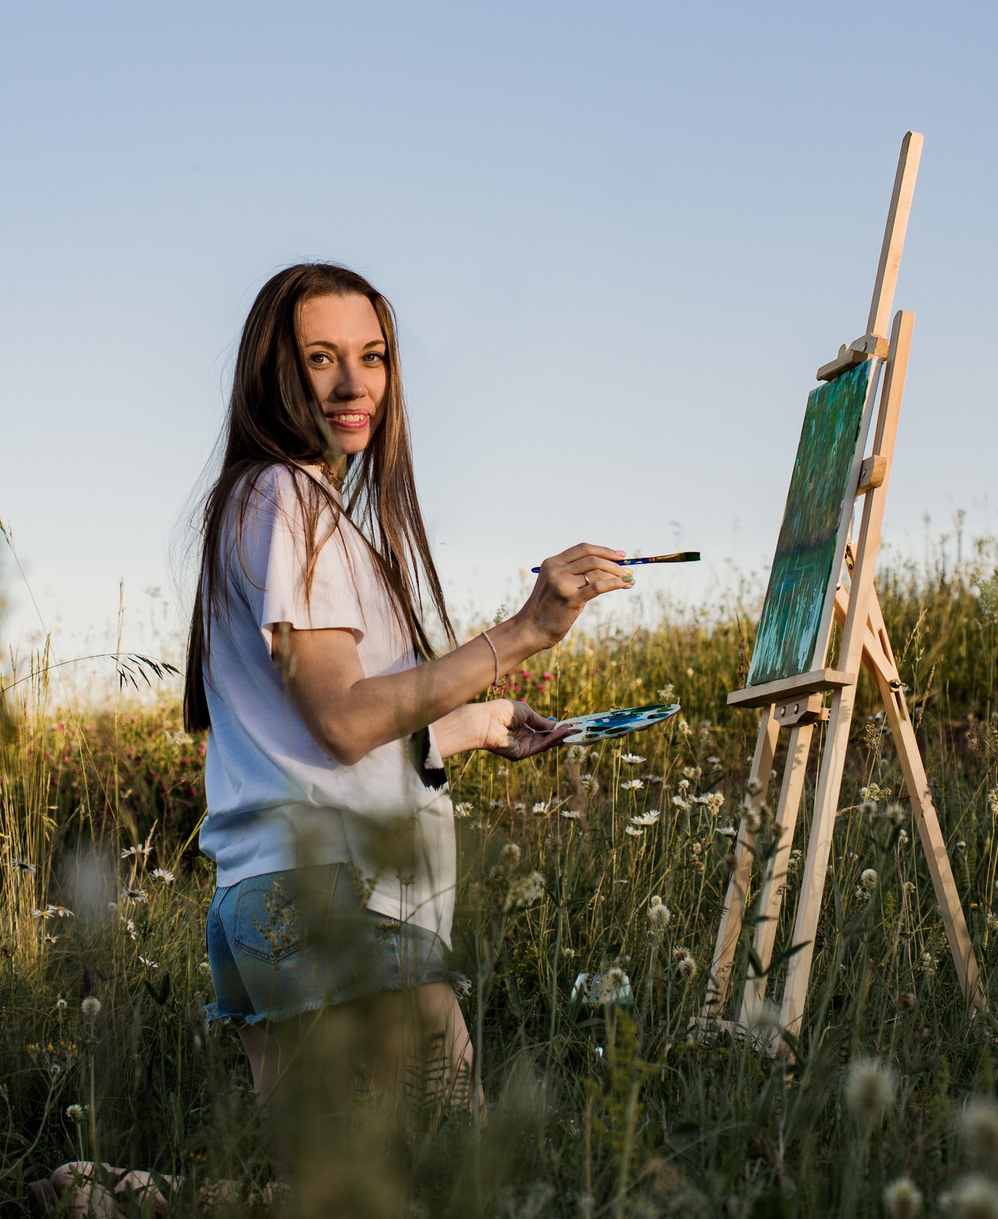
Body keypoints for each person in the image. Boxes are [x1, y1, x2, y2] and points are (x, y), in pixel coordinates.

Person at [36, 262, 631, 1214]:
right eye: (321, 359)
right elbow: (347, 720)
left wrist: (476, 724)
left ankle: (130, 1199)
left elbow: (314, 726)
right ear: (274, 373)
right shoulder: (286, 501)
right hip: (325, 896)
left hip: (263, 901)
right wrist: (522, 631)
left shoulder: (283, 508)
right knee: (463, 1169)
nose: (354, 385)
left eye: (373, 357)